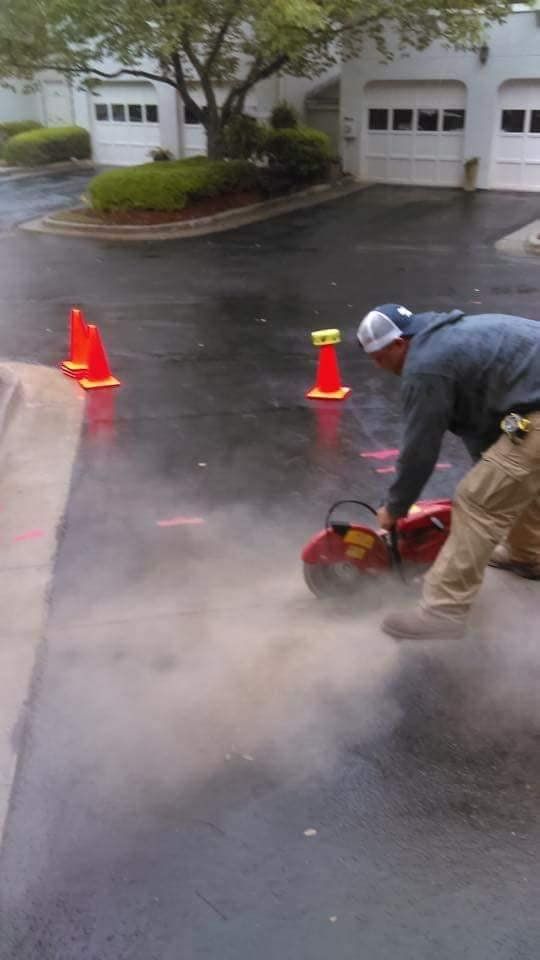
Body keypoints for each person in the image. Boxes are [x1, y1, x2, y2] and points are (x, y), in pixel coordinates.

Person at [356, 303, 540, 640]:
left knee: (477, 502)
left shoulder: (426, 367)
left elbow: (419, 450)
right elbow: (483, 427)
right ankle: (529, 555)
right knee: (511, 479)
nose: (378, 366)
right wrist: (490, 469)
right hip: (529, 406)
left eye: (379, 357)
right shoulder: (442, 337)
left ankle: (443, 612)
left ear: (399, 343)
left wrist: (395, 506)